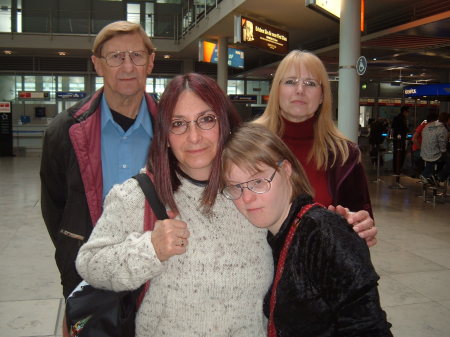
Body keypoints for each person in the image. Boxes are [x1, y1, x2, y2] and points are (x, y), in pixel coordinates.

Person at [76, 73, 377, 337]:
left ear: (225, 123)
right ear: (165, 136)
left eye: (206, 120)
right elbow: (90, 264)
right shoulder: (137, 195)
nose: (194, 137)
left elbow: (297, 231)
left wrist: (339, 228)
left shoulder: (249, 192)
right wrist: (149, 249)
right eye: (179, 124)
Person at [220, 123, 393, 337]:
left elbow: (367, 327)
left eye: (258, 181)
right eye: (236, 186)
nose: (246, 198)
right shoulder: (275, 234)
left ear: (286, 170)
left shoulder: (321, 233)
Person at [40, 20, 157, 300]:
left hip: (157, 275)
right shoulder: (65, 131)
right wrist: (72, 255)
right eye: (115, 57)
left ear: (150, 62)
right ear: (97, 64)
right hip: (88, 278)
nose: (127, 67)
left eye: (136, 56)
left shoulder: (172, 128)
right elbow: (55, 208)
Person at [254, 50, 375, 225]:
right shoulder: (249, 143)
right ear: (276, 91)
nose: (300, 90)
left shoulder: (344, 155)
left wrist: (358, 225)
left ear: (322, 96)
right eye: (290, 82)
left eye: (310, 83)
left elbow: (360, 218)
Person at [420, 112, 449, 184]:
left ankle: (429, 174)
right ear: (448, 120)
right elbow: (443, 148)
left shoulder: (428, 125)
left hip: (424, 153)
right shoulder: (442, 129)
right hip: (434, 155)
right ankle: (439, 177)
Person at [391, 105, 410, 175]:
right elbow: (402, 129)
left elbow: (393, 128)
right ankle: (398, 169)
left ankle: (397, 169)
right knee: (399, 153)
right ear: (404, 112)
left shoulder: (397, 118)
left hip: (397, 139)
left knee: (397, 153)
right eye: (408, 112)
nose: (408, 114)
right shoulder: (401, 119)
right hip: (400, 140)